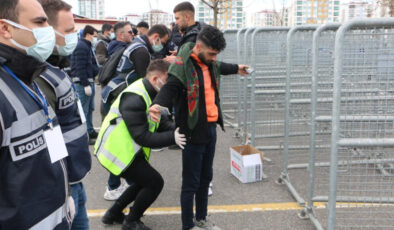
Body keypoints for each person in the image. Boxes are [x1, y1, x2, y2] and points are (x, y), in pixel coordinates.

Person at [149, 26, 249, 230]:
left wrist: (237, 68)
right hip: (192, 132)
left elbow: (219, 65)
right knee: (191, 183)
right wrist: (157, 105)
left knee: (206, 179)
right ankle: (188, 226)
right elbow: (170, 87)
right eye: (211, 53)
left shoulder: (209, 62)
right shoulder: (183, 66)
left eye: (216, 54)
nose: (214, 58)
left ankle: (201, 220)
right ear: (199, 47)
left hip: (210, 128)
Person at [0, 0, 74, 229]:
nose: (48, 30)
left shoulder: (26, 76)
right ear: (6, 28)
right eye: (40, 22)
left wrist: (66, 193)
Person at [95, 59, 186, 230]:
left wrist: (182, 129)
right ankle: (131, 222)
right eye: (169, 81)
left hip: (127, 148)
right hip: (116, 150)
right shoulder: (135, 97)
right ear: (155, 80)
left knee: (142, 181)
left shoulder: (152, 93)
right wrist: (173, 138)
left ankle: (113, 213)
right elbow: (142, 137)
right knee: (154, 182)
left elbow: (162, 122)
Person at [36, 1, 92, 229]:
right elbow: (48, 138)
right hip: (61, 186)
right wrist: (65, 190)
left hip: (74, 179)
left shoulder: (57, 69)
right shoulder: (38, 77)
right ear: (48, 33)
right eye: (69, 31)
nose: (74, 37)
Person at [101, 24, 170, 114]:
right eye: (163, 43)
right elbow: (145, 79)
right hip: (119, 93)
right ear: (156, 36)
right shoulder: (141, 51)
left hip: (113, 90)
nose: (162, 46)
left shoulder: (137, 43)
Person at [70, 25, 100, 144]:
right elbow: (80, 67)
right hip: (83, 83)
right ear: (88, 34)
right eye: (94, 36)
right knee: (83, 110)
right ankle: (85, 136)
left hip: (88, 81)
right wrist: (85, 83)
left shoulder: (86, 46)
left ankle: (90, 130)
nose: (95, 38)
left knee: (89, 108)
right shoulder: (82, 46)